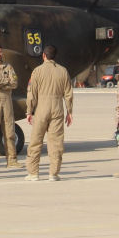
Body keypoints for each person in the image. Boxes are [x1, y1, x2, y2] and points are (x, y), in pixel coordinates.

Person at [25, 45, 73, 181]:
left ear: (44, 56)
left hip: (42, 108)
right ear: (55, 56)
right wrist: (69, 112)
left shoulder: (37, 71)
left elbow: (31, 94)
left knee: (36, 141)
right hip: (57, 108)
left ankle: (33, 173)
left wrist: (29, 111)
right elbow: (68, 94)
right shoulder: (63, 71)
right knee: (56, 142)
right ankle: (54, 173)